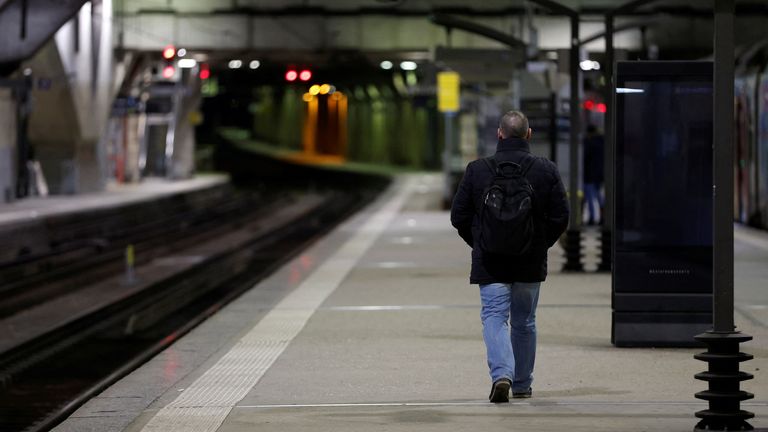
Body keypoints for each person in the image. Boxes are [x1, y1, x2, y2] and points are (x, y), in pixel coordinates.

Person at [450, 110, 569, 403]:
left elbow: (458, 216)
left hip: (490, 261)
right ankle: (522, 384)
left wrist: (480, 242)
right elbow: (561, 217)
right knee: (525, 321)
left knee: (494, 317)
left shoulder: (477, 170)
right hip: (529, 261)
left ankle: (502, 373)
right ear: (529, 135)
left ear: (499, 134)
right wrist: (540, 244)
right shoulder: (546, 169)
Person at [582, 124, 605, 225]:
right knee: (600, 198)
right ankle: (603, 217)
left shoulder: (589, 143)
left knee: (590, 198)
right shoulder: (602, 142)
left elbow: (586, 158)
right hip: (599, 174)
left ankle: (592, 218)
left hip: (589, 174)